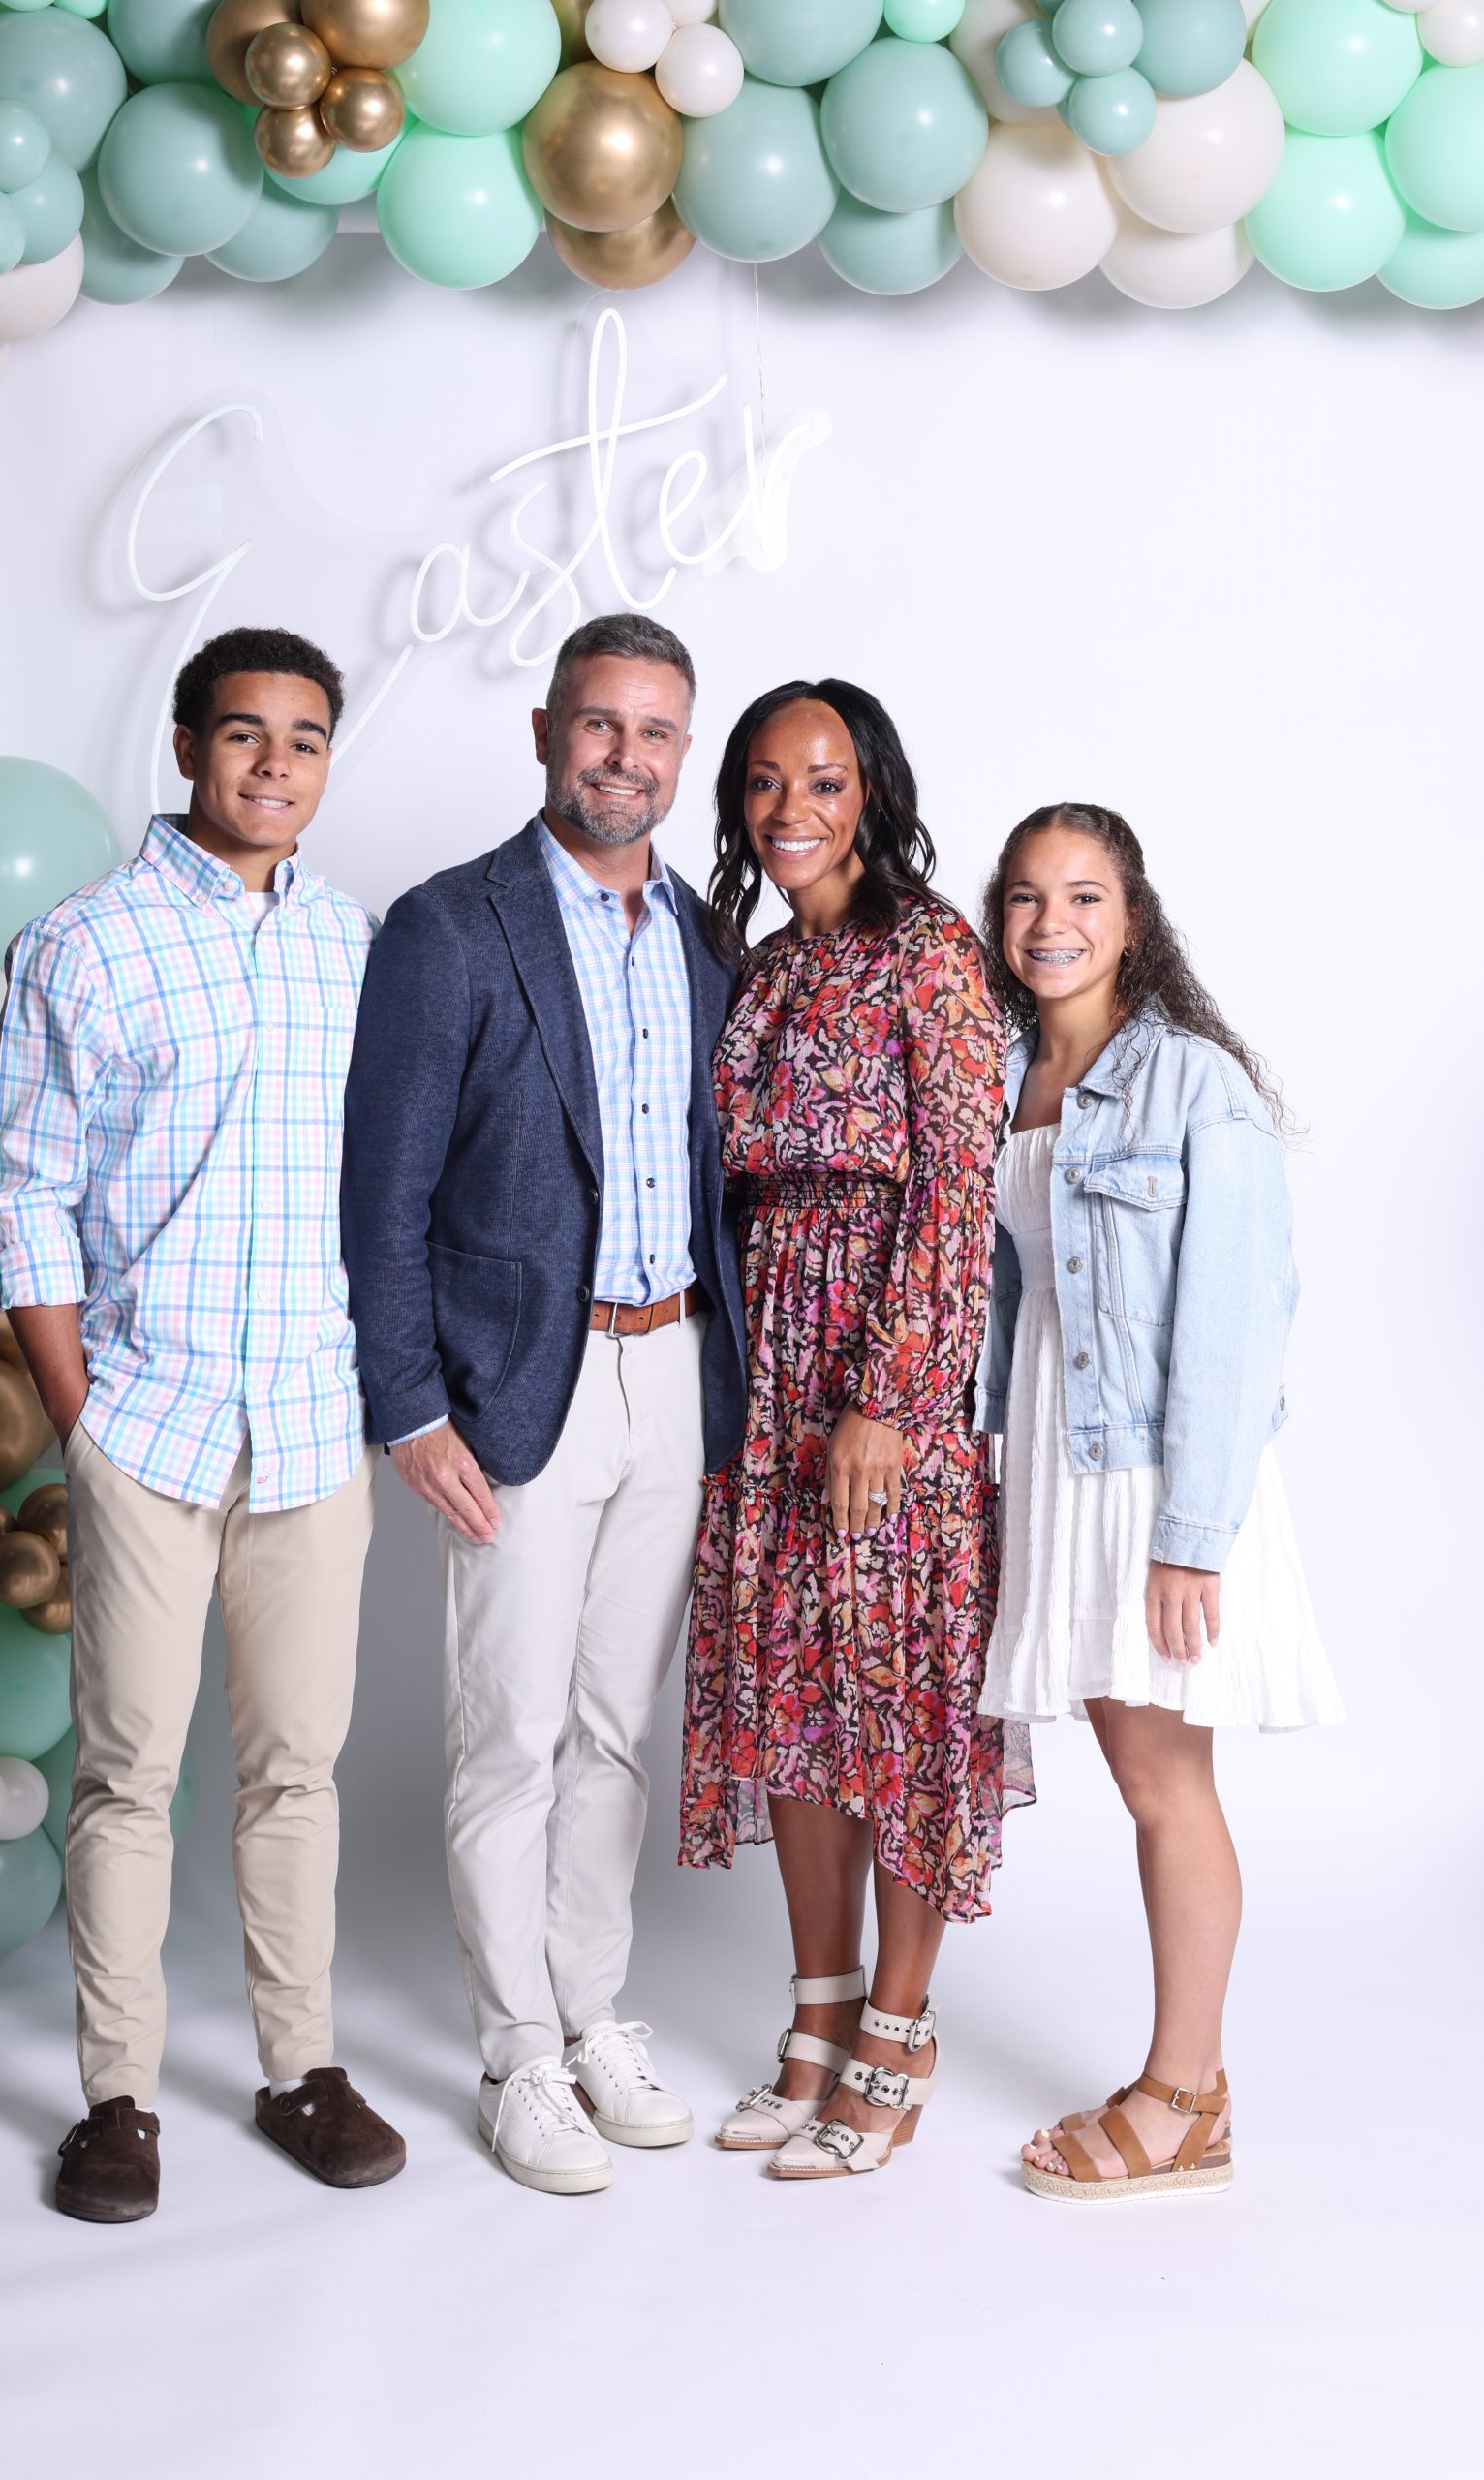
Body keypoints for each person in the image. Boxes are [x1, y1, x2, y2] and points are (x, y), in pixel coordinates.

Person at [0, 626, 404, 2223]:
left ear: (326, 760)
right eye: (243, 734)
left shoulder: (358, 947)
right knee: (127, 1773)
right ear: (186, 746)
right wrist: (78, 1412)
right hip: (145, 1424)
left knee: (298, 1773)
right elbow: (20, 1188)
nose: (273, 764)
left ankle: (302, 2070)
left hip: (311, 1428)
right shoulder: (82, 944)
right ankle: (120, 2098)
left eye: (304, 739)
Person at [342, 612, 747, 2198]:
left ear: (681, 752)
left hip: (674, 1371)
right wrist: (409, 1408)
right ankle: (516, 2054)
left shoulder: (708, 937)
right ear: (544, 732)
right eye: (598, 723)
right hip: (522, 1382)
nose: (623, 756)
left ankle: (592, 2015)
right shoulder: (450, 927)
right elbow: (381, 1195)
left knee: (613, 1728)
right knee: (509, 1730)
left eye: (653, 731)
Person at [681, 680, 1033, 2182]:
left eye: (823, 781)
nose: (792, 809)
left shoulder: (930, 955)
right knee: (794, 1698)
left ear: (871, 793)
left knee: (898, 1705)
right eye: (765, 782)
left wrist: (891, 1397)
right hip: (771, 1372)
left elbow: (958, 1187)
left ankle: (900, 2026)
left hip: (886, 1375)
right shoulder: (760, 967)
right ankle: (818, 2017)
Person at [975, 802, 1343, 2203]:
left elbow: (1240, 1319)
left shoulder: (1192, 1082)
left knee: (1163, 1785)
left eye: (1085, 895)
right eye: (1025, 896)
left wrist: (1193, 1541)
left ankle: (1183, 2099)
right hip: (1057, 1463)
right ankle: (1191, 2091)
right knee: (1142, 1782)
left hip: (1154, 1478)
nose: (1051, 922)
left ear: (1133, 921)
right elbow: (1019, 1303)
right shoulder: (1006, 1073)